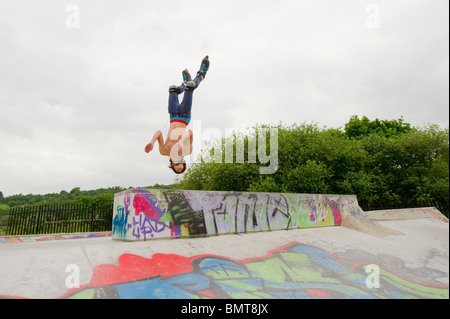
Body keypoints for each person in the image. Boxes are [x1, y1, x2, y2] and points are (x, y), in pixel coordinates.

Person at [145, 56, 210, 174]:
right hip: (184, 116)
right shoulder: (187, 150)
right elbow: (190, 132)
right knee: (190, 86)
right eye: (180, 163)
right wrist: (181, 142)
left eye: (176, 164)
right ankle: (201, 74)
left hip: (173, 114)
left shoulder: (164, 151)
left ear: (172, 164)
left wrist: (152, 142)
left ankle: (183, 83)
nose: (178, 162)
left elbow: (159, 132)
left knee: (173, 89)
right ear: (183, 161)